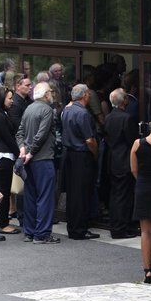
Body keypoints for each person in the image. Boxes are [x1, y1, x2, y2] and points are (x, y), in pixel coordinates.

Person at [16, 82, 58, 244]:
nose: (52, 94)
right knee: (45, 197)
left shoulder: (29, 108)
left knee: (31, 195)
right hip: (42, 158)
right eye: (51, 91)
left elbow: (20, 132)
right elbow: (41, 134)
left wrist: (23, 150)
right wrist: (31, 152)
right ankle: (42, 234)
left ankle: (30, 232)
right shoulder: (46, 109)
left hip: (29, 158)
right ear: (46, 94)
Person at [61, 84, 100, 241]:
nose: (89, 96)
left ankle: (73, 226)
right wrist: (96, 154)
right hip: (81, 155)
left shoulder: (67, 110)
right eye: (88, 94)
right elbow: (89, 140)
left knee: (73, 192)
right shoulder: (83, 113)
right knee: (82, 193)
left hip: (69, 154)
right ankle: (80, 229)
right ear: (84, 95)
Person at [105, 88, 140, 240]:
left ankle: (115, 225)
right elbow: (131, 140)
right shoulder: (127, 118)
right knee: (124, 196)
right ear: (125, 101)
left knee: (115, 194)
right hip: (124, 160)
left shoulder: (108, 117)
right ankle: (121, 228)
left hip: (112, 159)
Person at [0, 88, 20, 234]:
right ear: (1, 99)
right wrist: (19, 153)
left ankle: (4, 220)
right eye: (9, 98)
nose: (12, 101)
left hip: (5, 155)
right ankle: (4, 224)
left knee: (4, 191)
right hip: (3, 157)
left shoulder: (2, 113)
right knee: (4, 191)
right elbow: (8, 138)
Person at [131, 122, 151, 284]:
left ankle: (147, 271)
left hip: (143, 187)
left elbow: (133, 170)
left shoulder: (137, 144)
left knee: (146, 231)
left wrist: (141, 181)